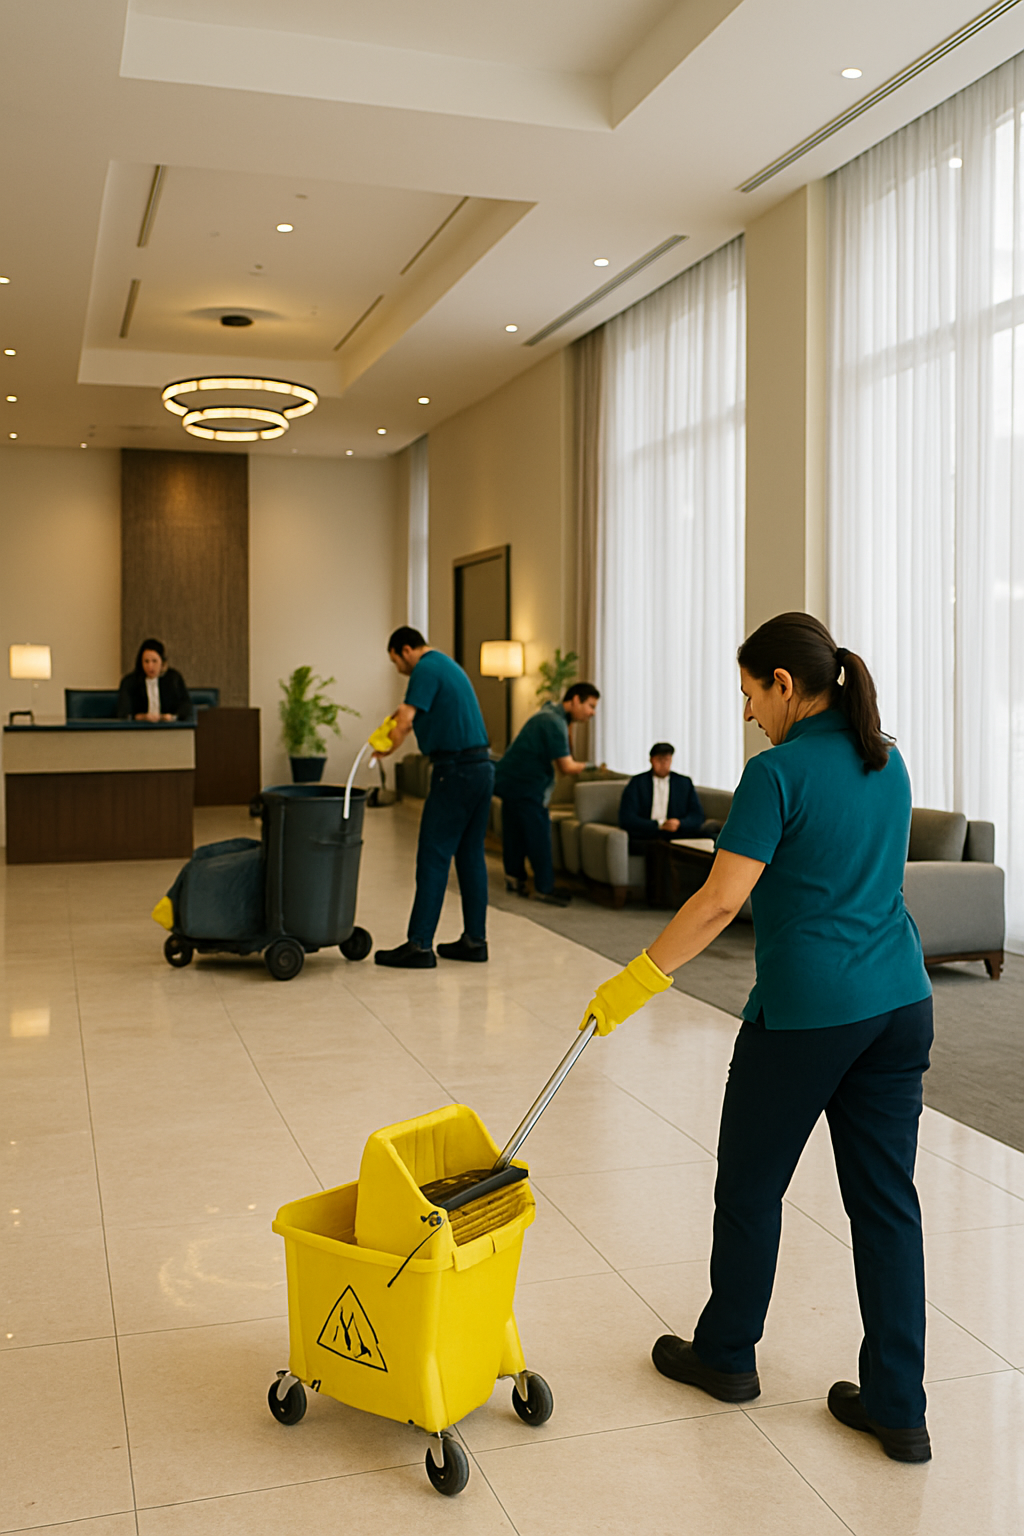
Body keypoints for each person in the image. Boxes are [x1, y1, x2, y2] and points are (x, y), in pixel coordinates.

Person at [578, 612, 934, 1465]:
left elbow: (716, 902)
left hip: (809, 1013)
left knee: (749, 1187)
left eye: (749, 694)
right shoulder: (886, 757)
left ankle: (727, 1355)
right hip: (899, 1002)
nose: (747, 714)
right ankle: (899, 1408)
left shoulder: (773, 774)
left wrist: (635, 981)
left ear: (784, 684)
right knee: (887, 1208)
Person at [370, 626, 494, 968]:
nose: (398, 668)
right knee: (470, 855)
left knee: (433, 856)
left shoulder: (424, 668)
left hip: (454, 770)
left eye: (396, 661)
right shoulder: (446, 665)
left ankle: (419, 945)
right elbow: (415, 713)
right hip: (482, 767)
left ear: (406, 649)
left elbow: (406, 720)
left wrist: (384, 748)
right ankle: (475, 940)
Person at [493, 683, 600, 907]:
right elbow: (567, 766)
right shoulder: (553, 722)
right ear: (575, 701)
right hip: (526, 785)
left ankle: (515, 880)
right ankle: (544, 888)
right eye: (590, 706)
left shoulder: (550, 715)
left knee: (515, 834)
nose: (592, 713)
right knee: (538, 836)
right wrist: (594, 767)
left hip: (510, 781)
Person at [618, 742, 711, 905]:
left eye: (667, 759)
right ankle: (659, 898)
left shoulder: (683, 783)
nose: (664, 764)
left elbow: (698, 816)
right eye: (660, 760)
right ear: (651, 760)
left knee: (707, 839)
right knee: (657, 847)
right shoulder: (637, 783)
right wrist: (658, 825)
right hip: (648, 834)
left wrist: (679, 823)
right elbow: (626, 818)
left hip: (678, 833)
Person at [116, 639, 191, 721]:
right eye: (146, 661)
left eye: (154, 661)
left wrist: (171, 717)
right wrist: (143, 717)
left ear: (162, 662)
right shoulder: (130, 682)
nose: (150, 666)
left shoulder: (173, 679)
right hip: (139, 730)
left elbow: (186, 706)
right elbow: (123, 713)